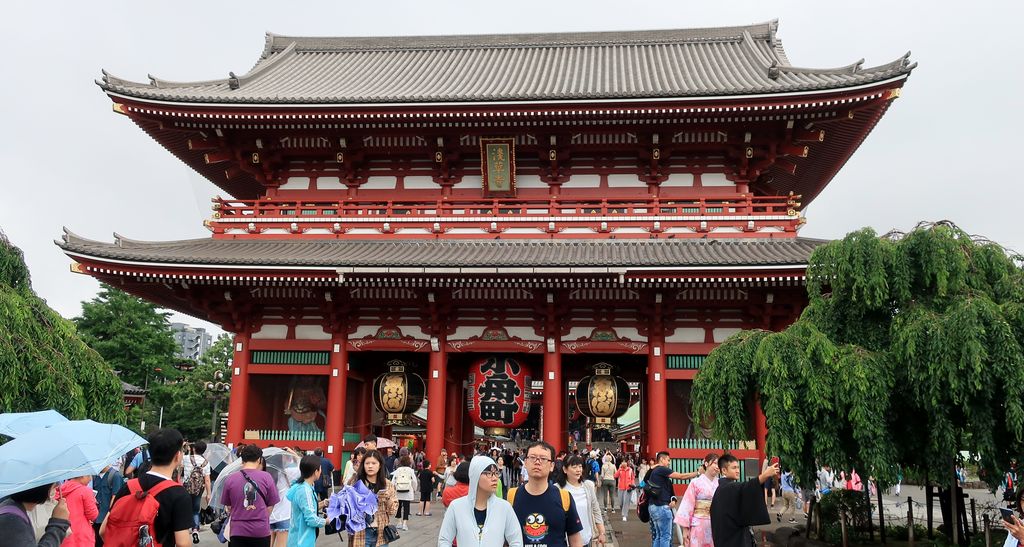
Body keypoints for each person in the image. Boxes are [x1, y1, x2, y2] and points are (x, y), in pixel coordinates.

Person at [102, 428, 193, 547]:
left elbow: (103, 531)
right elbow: (182, 543)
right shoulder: (179, 494)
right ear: (178, 456)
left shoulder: (128, 486)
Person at [508, 441, 584, 547]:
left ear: (552, 466)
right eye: (533, 457)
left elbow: (575, 541)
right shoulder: (511, 496)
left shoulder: (564, 498)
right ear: (525, 462)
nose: (537, 462)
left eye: (543, 459)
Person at [439, 456, 524, 547]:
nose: (495, 478)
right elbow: (444, 539)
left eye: (496, 473)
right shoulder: (456, 507)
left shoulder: (505, 508)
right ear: (475, 475)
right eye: (489, 473)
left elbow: (516, 541)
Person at [710, 454, 778, 547]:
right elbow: (746, 487)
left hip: (728, 537)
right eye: (734, 468)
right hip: (732, 539)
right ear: (724, 470)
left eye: (738, 467)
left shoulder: (724, 488)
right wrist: (765, 475)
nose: (738, 470)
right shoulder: (727, 488)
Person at [220, 444, 281, 547]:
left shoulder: (230, 478)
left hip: (237, 531)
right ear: (259, 459)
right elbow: (271, 504)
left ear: (242, 460)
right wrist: (262, 515)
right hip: (260, 530)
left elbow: (228, 506)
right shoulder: (266, 477)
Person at [645, 451, 699, 547]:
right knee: (666, 537)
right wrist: (698, 472)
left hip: (653, 506)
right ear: (661, 459)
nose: (669, 463)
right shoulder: (661, 469)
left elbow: (670, 492)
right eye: (668, 460)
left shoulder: (655, 472)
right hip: (662, 507)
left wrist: (673, 499)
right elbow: (682, 476)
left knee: (658, 536)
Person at [350, 450, 398, 547]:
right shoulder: (356, 484)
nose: (370, 466)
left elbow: (393, 511)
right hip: (362, 532)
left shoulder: (387, 484)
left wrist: (387, 498)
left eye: (374, 463)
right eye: (367, 463)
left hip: (381, 533)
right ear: (363, 465)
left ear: (380, 465)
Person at [0, 482, 71, 547]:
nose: (58, 485)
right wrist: (58, 524)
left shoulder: (11, 508)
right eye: (54, 484)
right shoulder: (12, 522)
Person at [556, 455, 607, 546]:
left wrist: (601, 532)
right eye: (574, 467)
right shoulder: (557, 489)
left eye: (580, 467)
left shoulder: (588, 486)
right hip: (566, 541)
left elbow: (596, 510)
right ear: (565, 469)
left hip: (586, 539)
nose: (578, 470)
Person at [674, 453, 719, 547]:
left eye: (719, 464)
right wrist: (685, 529)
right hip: (698, 524)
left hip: (716, 524)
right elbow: (687, 505)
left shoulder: (720, 484)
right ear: (706, 464)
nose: (717, 466)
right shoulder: (695, 483)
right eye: (714, 463)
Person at [285, 455, 328, 547]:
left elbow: (307, 508)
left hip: (297, 537)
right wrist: (327, 521)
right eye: (320, 469)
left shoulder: (302, 486)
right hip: (302, 540)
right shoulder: (305, 491)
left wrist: (323, 503)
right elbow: (311, 520)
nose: (320, 471)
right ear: (316, 471)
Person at [182, 440, 212, 539]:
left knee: (184, 509)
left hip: (186, 488)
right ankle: (195, 529)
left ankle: (184, 530)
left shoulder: (186, 458)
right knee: (195, 510)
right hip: (198, 490)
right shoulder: (206, 463)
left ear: (194, 448)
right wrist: (208, 494)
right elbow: (207, 480)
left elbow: (178, 463)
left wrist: (183, 448)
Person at [59, 475, 99, 547]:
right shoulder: (85, 491)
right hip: (81, 535)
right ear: (82, 475)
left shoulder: (60, 490)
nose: (90, 479)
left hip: (63, 533)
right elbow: (93, 515)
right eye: (89, 476)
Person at [92, 464, 124, 547]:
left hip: (107, 518)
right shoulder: (94, 476)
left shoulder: (115, 476)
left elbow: (115, 497)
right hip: (96, 517)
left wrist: (109, 516)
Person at [392, 455, 418, 531]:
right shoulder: (411, 470)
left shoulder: (397, 470)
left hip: (398, 490)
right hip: (408, 491)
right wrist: (414, 489)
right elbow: (414, 481)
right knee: (406, 507)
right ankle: (404, 524)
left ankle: (399, 522)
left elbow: (393, 481)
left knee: (398, 507)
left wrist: (393, 489)